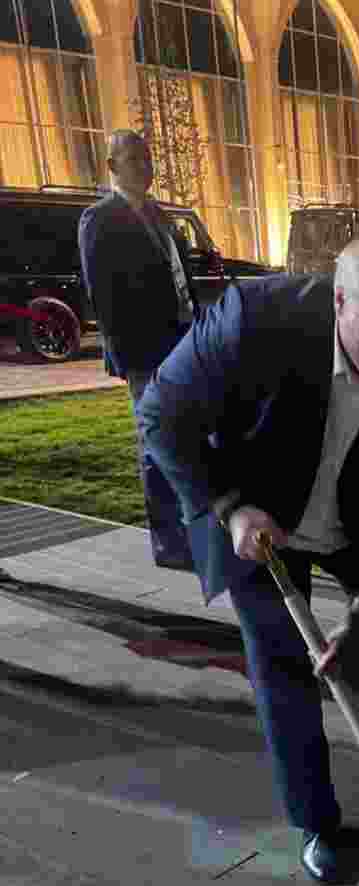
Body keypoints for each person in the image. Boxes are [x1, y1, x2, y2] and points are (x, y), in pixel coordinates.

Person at [136, 232, 359, 885]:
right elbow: (160, 415)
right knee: (282, 663)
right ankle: (317, 822)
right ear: (340, 302)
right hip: (257, 516)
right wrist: (230, 507)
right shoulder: (254, 321)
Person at [78, 130, 198, 570]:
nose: (145, 167)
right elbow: (103, 295)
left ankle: (193, 529)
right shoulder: (99, 219)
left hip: (181, 342)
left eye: (147, 158)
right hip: (143, 353)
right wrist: (127, 358)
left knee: (184, 437)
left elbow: (177, 275)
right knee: (155, 443)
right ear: (112, 167)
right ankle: (169, 543)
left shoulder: (158, 213)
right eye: (133, 159)